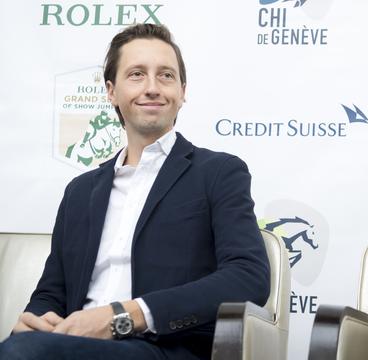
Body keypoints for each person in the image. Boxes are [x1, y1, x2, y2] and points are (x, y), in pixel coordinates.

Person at [0, 24, 270, 360]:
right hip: (67, 346)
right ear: (111, 92)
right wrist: (33, 322)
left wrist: (122, 317)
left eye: (166, 76)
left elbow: (248, 277)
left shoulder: (218, 173)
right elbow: (51, 293)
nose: (153, 88)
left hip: (164, 349)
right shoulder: (80, 192)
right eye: (137, 74)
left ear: (183, 91)